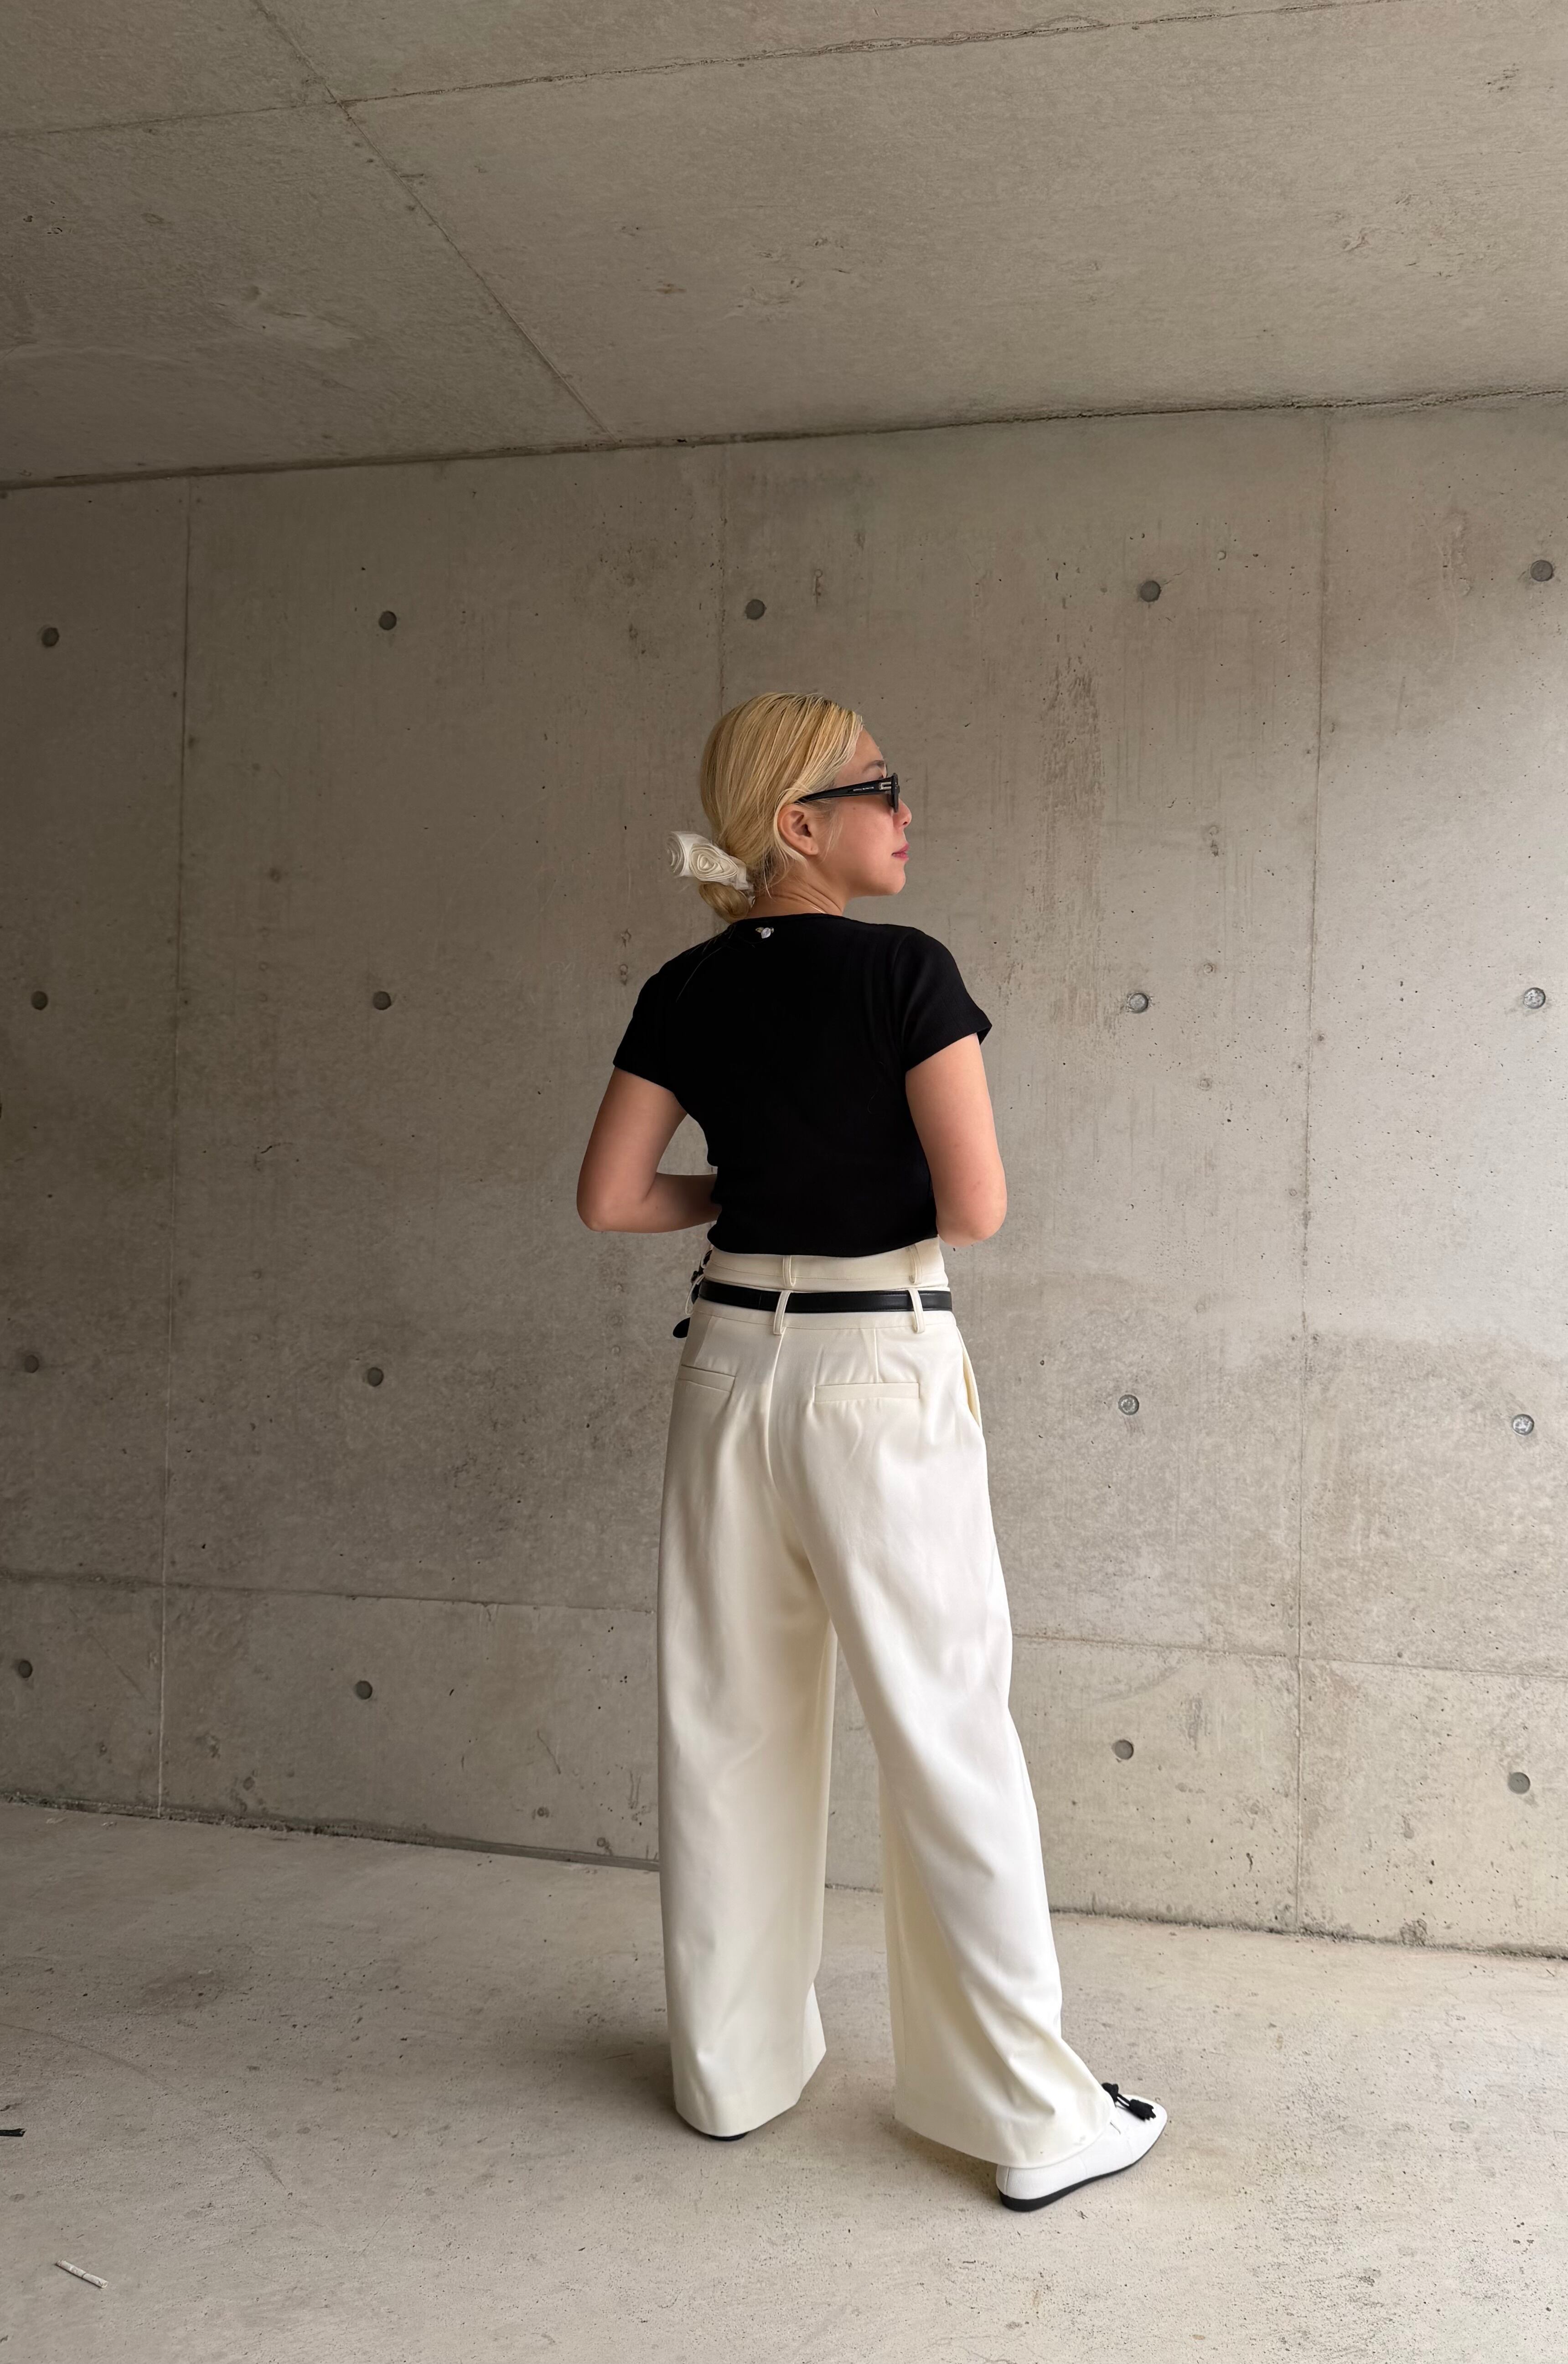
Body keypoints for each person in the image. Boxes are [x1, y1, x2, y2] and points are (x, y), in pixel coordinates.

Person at [576, 692, 1166, 2211]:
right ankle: (1029, 2115)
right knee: (944, 1723)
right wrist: (838, 1186)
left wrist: (750, 1192)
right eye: (882, 786)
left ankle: (731, 2072)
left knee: (727, 1716)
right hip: (873, 1370)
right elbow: (975, 1206)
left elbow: (612, 1197)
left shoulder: (684, 985)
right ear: (799, 823)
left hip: (728, 1367)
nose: (907, 811)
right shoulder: (906, 970)